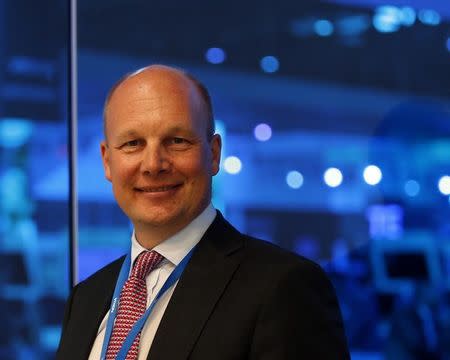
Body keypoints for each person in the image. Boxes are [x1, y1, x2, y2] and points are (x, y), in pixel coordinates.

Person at [56, 64, 350, 360]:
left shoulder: (284, 288)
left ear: (213, 153)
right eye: (133, 144)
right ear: (108, 161)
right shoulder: (86, 300)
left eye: (177, 141)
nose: (153, 164)